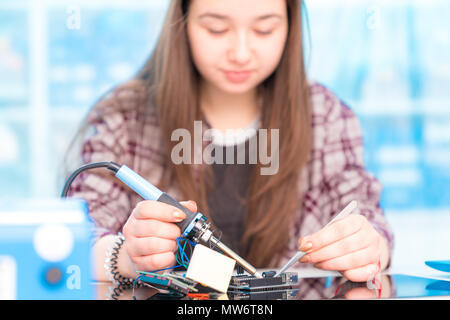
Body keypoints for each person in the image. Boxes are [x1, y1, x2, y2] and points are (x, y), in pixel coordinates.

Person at [66, 0, 394, 284]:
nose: (240, 53)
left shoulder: (325, 116)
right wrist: (125, 256)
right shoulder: (126, 117)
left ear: (291, 27)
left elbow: (367, 218)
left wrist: (367, 246)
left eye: (264, 30)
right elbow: (75, 240)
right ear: (182, 23)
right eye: (216, 29)